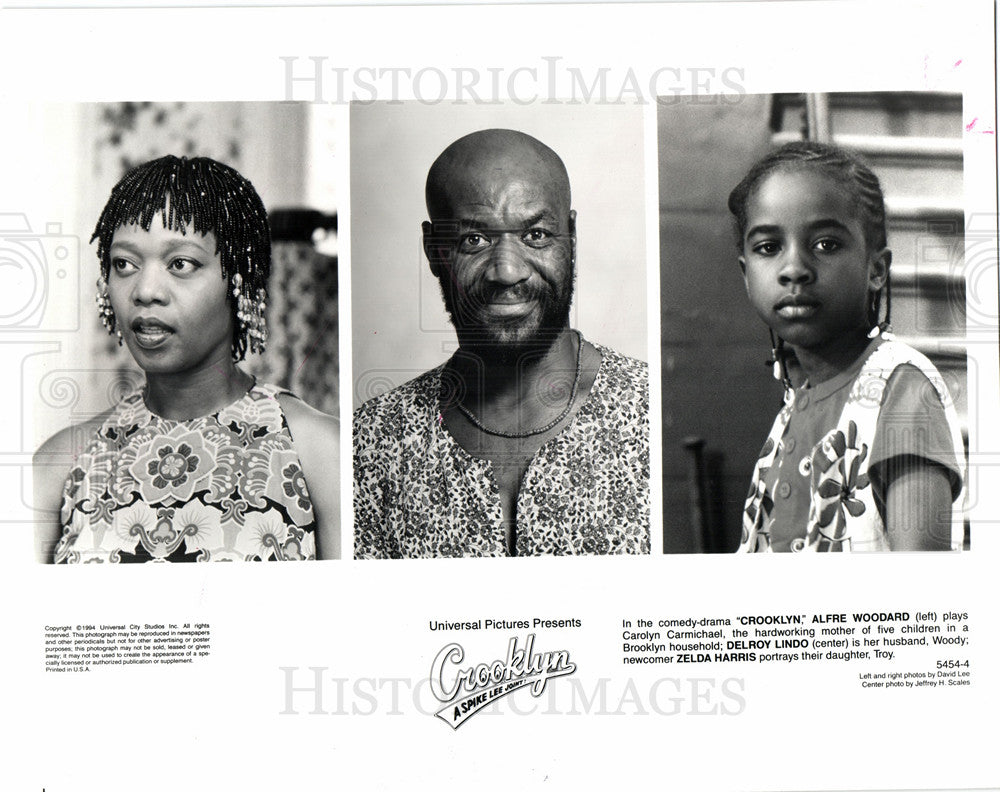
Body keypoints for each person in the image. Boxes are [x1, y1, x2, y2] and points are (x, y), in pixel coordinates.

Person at [353, 129, 649, 558]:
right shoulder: (371, 443)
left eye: (536, 235)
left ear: (571, 237)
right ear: (434, 249)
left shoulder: (645, 414)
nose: (507, 272)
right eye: (475, 240)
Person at [33, 155, 339, 563]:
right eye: (124, 264)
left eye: (181, 264)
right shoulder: (58, 464)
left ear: (241, 284)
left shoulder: (319, 450)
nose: (145, 291)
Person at [729, 141, 965, 552]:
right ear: (747, 275)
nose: (794, 269)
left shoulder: (902, 390)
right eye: (769, 247)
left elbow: (925, 596)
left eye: (826, 245)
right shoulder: (791, 409)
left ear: (876, 270)